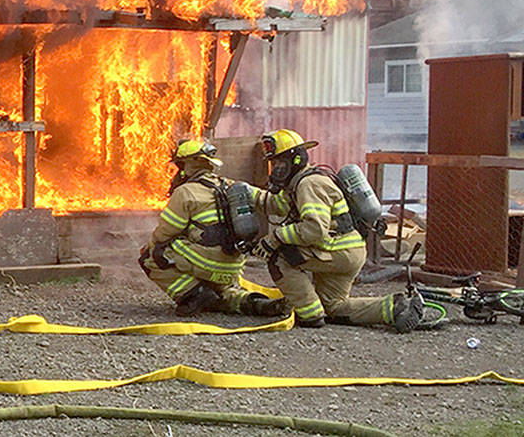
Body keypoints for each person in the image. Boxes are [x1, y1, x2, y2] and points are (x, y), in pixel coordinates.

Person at [250, 129, 423, 331]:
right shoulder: (299, 184)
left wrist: (274, 239)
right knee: (334, 307)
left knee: (279, 257)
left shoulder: (309, 184)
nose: (276, 169)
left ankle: (310, 315)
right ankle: (396, 307)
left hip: (337, 251)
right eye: (274, 164)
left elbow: (314, 229)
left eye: (280, 163)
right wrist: (243, 191)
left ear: (295, 160)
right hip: (347, 250)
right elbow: (277, 204)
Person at [139, 137, 286, 317]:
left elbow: (165, 234)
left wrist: (149, 246)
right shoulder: (232, 185)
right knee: (223, 292)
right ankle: (255, 304)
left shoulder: (185, 192)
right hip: (233, 266)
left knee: (150, 256)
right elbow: (274, 203)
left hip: (205, 263)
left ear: (187, 165)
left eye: (179, 166)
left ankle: (194, 294)